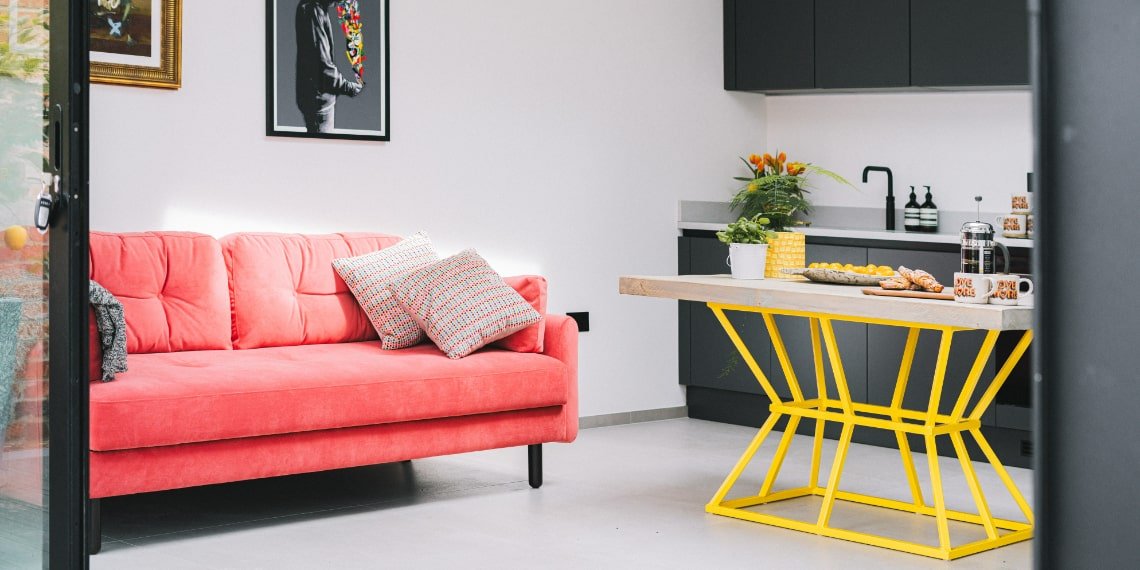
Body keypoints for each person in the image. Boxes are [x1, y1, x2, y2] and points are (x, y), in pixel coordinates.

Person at [295, 0, 364, 133]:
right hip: (318, 103)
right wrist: (349, 87)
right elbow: (322, 65)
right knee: (323, 149)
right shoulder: (312, 10)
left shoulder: (316, 9)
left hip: (318, 100)